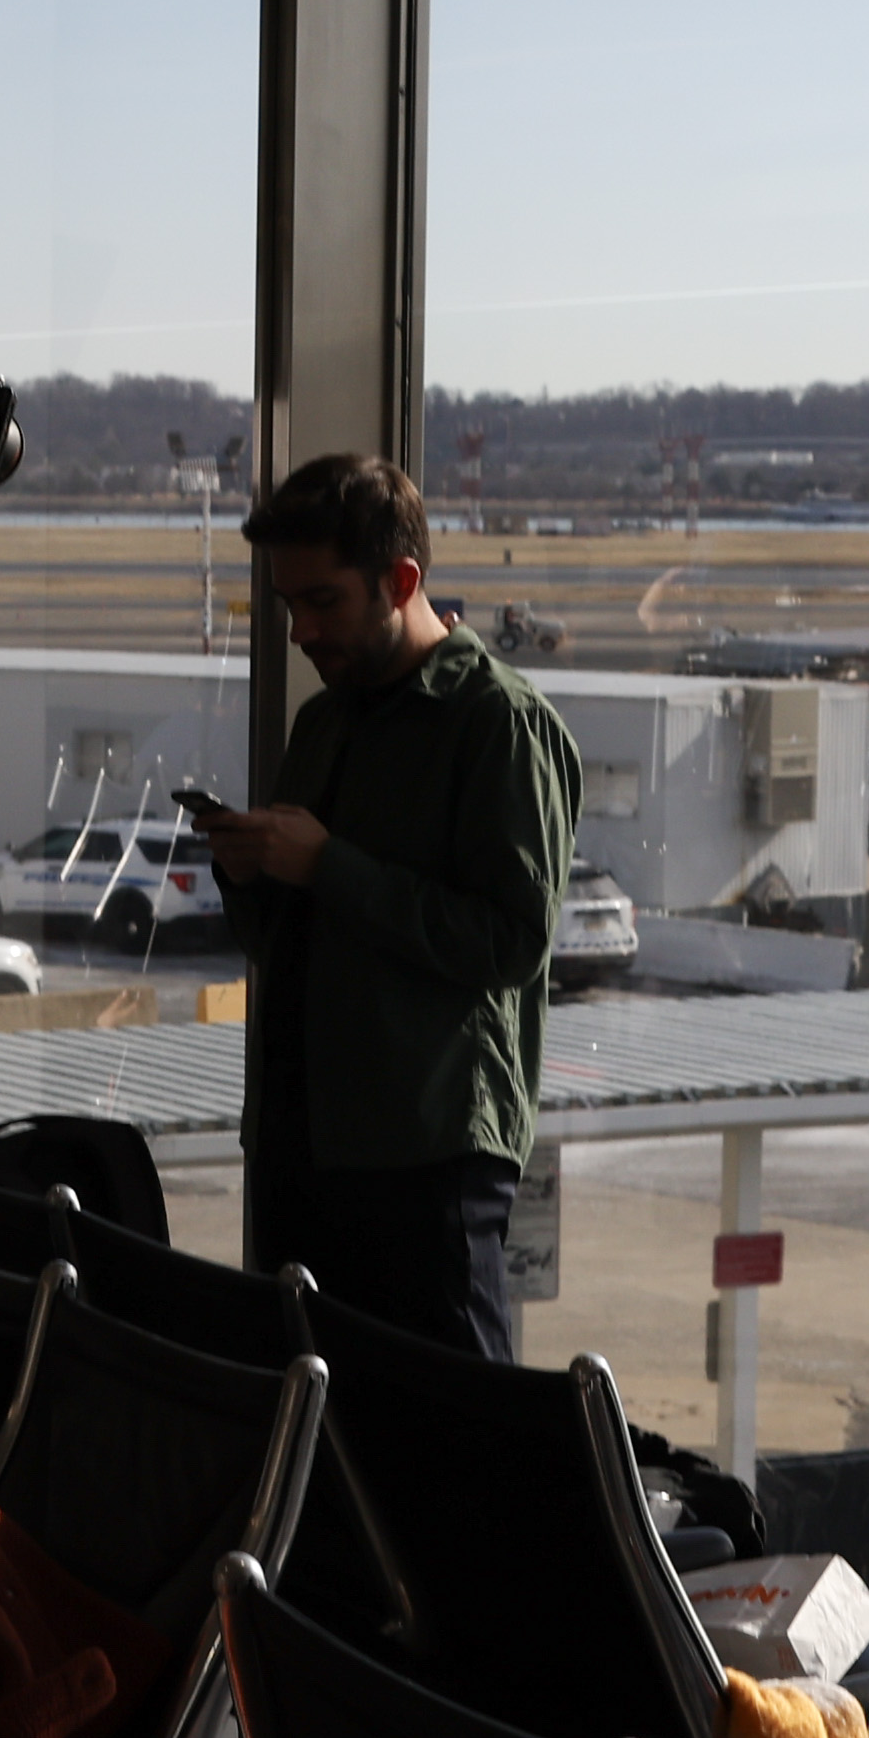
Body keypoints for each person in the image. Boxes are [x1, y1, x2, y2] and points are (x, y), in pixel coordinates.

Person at [203, 453, 580, 1362]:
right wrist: (249, 871)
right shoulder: (325, 724)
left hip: (424, 1160)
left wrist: (330, 866)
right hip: (305, 1150)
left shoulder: (499, 723)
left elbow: (511, 941)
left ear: (401, 581)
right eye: (288, 604)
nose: (300, 631)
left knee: (453, 1442)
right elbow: (286, 939)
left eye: (322, 602)